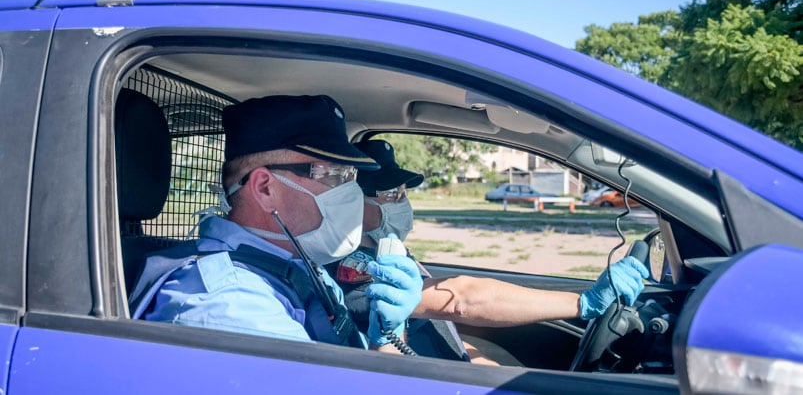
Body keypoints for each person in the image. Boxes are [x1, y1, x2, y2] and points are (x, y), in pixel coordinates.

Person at [131, 95, 422, 352]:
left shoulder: (296, 264)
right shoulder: (230, 307)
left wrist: (385, 340)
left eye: (349, 176)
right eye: (333, 174)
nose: (350, 192)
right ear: (265, 188)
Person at [327, 139, 649, 363]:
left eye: (403, 192)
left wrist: (474, 356)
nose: (402, 203)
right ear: (353, 201)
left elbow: (436, 325)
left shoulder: (387, 250)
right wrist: (583, 302)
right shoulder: (353, 266)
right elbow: (461, 299)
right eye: (389, 194)